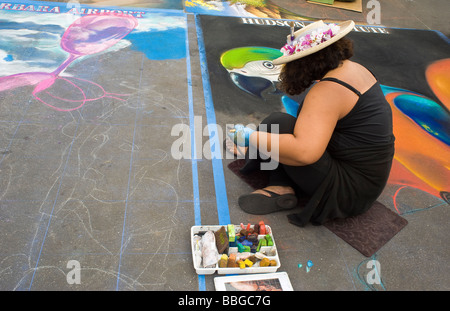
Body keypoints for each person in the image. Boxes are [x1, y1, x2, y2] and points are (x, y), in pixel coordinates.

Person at [226, 20, 395, 227]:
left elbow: (304, 153)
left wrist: (251, 136)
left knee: (277, 130)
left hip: (347, 192)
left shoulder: (328, 90)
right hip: (367, 183)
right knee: (278, 123)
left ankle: (277, 180)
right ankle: (280, 184)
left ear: (304, 62)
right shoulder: (352, 69)